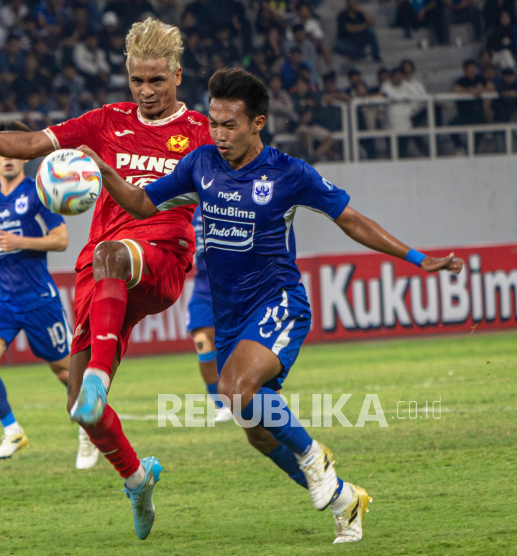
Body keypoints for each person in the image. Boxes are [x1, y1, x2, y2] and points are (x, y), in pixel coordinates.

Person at [79, 67, 464, 544]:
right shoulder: (200, 164)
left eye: (230, 125)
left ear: (258, 123)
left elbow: (352, 220)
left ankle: (314, 458)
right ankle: (345, 500)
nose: (218, 134)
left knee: (235, 389)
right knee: (258, 432)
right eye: (214, 123)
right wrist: (101, 169)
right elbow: (140, 204)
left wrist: (417, 257)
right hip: (230, 317)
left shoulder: (288, 173)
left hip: (278, 302)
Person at [0, 18, 212, 539]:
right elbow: (28, 144)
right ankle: (137, 479)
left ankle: (98, 379)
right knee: (78, 411)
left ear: (178, 75)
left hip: (161, 257)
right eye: (137, 80)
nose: (146, 91)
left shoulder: (201, 134)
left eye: (157, 80)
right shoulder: (106, 121)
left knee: (111, 258)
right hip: (100, 271)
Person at [0, 120, 96, 467]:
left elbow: (60, 240)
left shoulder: (40, 192)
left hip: (38, 298)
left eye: (11, 151)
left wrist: (22, 241)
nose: (6, 158)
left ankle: (90, 430)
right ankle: (12, 431)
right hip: (3, 298)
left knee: (66, 372)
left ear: (22, 157)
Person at [187, 207, 233, 422]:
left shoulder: (228, 199)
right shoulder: (189, 209)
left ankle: (262, 399)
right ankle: (221, 404)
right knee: (202, 340)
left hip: (235, 287)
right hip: (204, 288)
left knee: (239, 346)